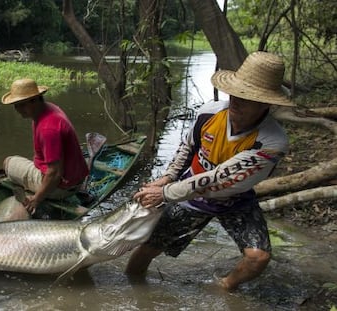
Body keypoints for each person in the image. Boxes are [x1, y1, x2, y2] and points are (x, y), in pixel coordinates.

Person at [125, 51, 295, 290]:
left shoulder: (271, 142)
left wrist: (165, 193)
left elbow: (219, 179)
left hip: (234, 200)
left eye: (246, 98)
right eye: (235, 94)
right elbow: (188, 147)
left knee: (259, 258)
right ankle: (134, 288)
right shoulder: (210, 112)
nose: (236, 101)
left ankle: (224, 286)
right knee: (147, 249)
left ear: (265, 103)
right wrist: (166, 178)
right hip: (189, 196)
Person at [1, 78, 89, 215]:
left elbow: (54, 173)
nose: (17, 110)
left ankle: (37, 193)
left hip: (61, 188)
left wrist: (36, 199)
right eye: (16, 105)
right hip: (75, 180)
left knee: (8, 162)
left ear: (35, 100)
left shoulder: (48, 129)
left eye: (21, 105)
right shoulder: (50, 107)